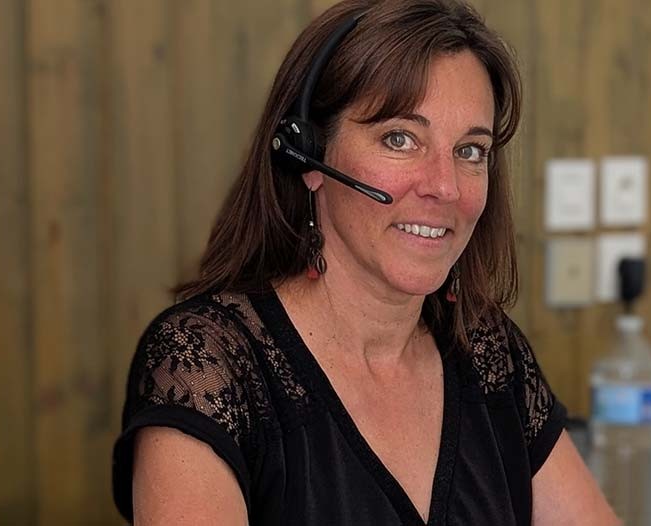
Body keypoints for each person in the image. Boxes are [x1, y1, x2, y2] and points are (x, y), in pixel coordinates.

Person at [110, 1, 617, 524]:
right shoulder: (206, 365)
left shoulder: (487, 352)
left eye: (470, 151)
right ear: (309, 157)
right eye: (400, 139)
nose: (444, 187)